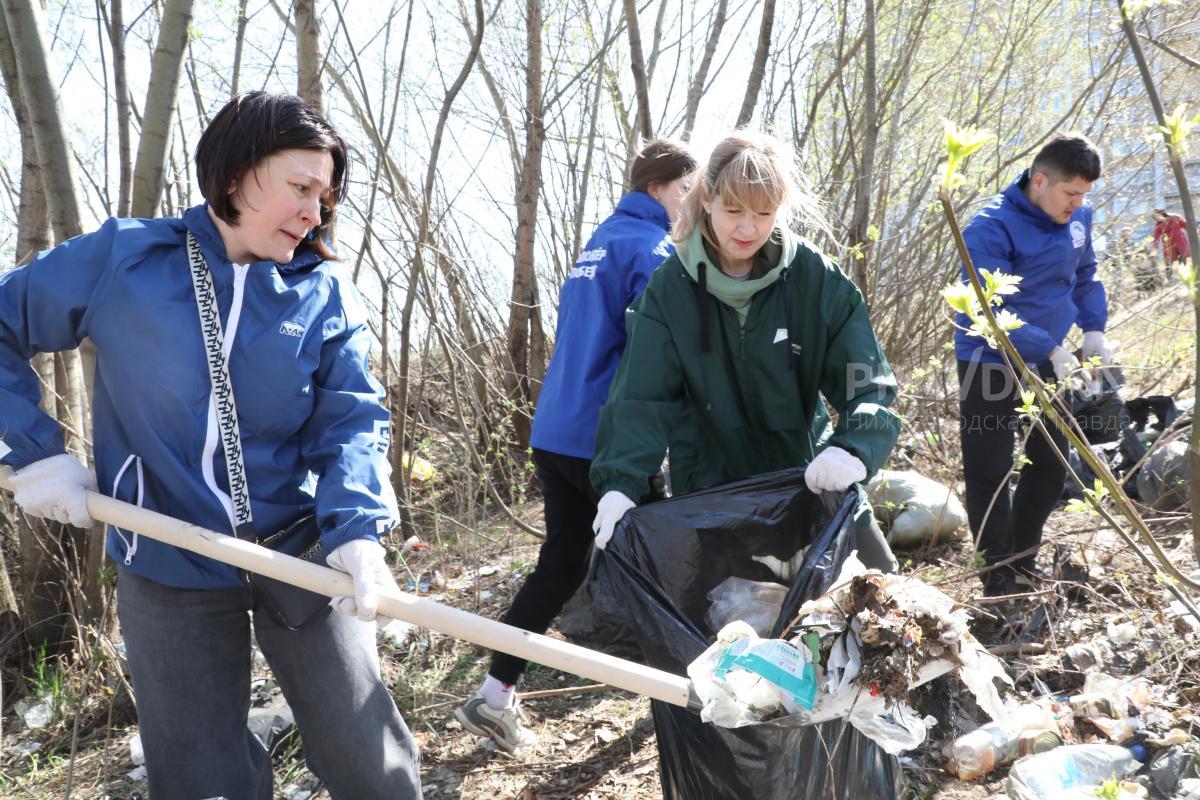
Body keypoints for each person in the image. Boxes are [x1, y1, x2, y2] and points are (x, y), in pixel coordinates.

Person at [0, 92, 421, 799]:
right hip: (166, 556)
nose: (315, 212)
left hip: (301, 554)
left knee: (371, 764)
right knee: (202, 782)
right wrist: (33, 451)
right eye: (300, 187)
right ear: (234, 174)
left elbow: (351, 420)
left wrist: (357, 530)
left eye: (324, 196)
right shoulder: (125, 259)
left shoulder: (322, 293)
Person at [453, 138, 697, 752]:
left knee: (560, 565)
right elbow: (666, 349)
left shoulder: (600, 242)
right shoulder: (652, 249)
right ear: (656, 189)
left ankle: (493, 697)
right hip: (607, 441)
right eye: (685, 190)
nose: (691, 202)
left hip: (556, 430)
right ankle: (694, 704)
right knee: (668, 566)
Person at [588, 131, 901, 571]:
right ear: (708, 198)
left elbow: (866, 382)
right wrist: (621, 484)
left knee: (882, 585)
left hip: (810, 480)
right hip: (712, 500)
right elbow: (640, 399)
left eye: (764, 213)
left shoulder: (814, 278)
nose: (748, 229)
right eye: (734, 210)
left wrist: (853, 448)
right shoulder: (669, 290)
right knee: (735, 611)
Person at [954, 133, 1112, 598]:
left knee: (1050, 463)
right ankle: (996, 576)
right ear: (1039, 181)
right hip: (988, 359)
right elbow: (985, 308)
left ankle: (1023, 559)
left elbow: (1085, 275)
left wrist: (1094, 329)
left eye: (1084, 195)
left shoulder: (1078, 216)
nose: (1078, 204)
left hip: (1053, 359)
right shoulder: (990, 227)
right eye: (1070, 193)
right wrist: (1049, 349)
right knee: (990, 470)